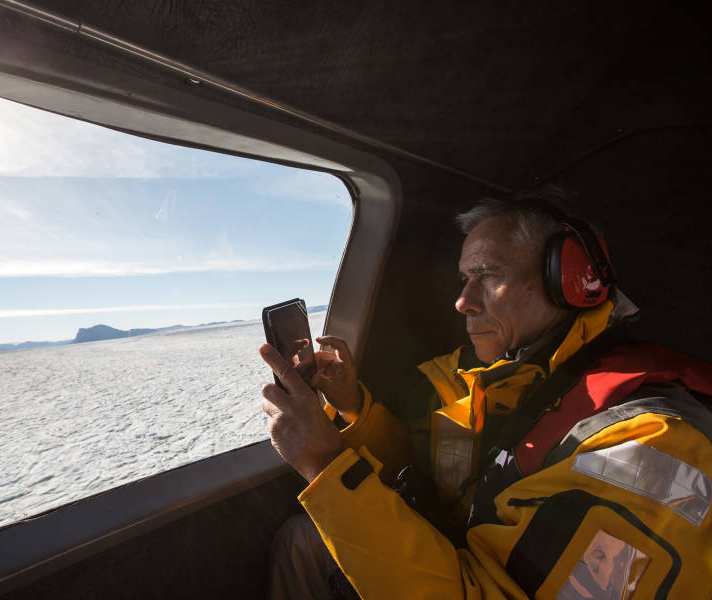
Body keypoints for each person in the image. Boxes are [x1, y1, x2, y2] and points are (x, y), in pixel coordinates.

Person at [260, 193, 712, 599]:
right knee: (301, 541)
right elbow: (425, 470)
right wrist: (352, 406)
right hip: (471, 549)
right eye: (463, 279)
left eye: (488, 275)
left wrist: (323, 464)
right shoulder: (491, 378)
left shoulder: (647, 441)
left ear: (571, 278)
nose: (463, 302)